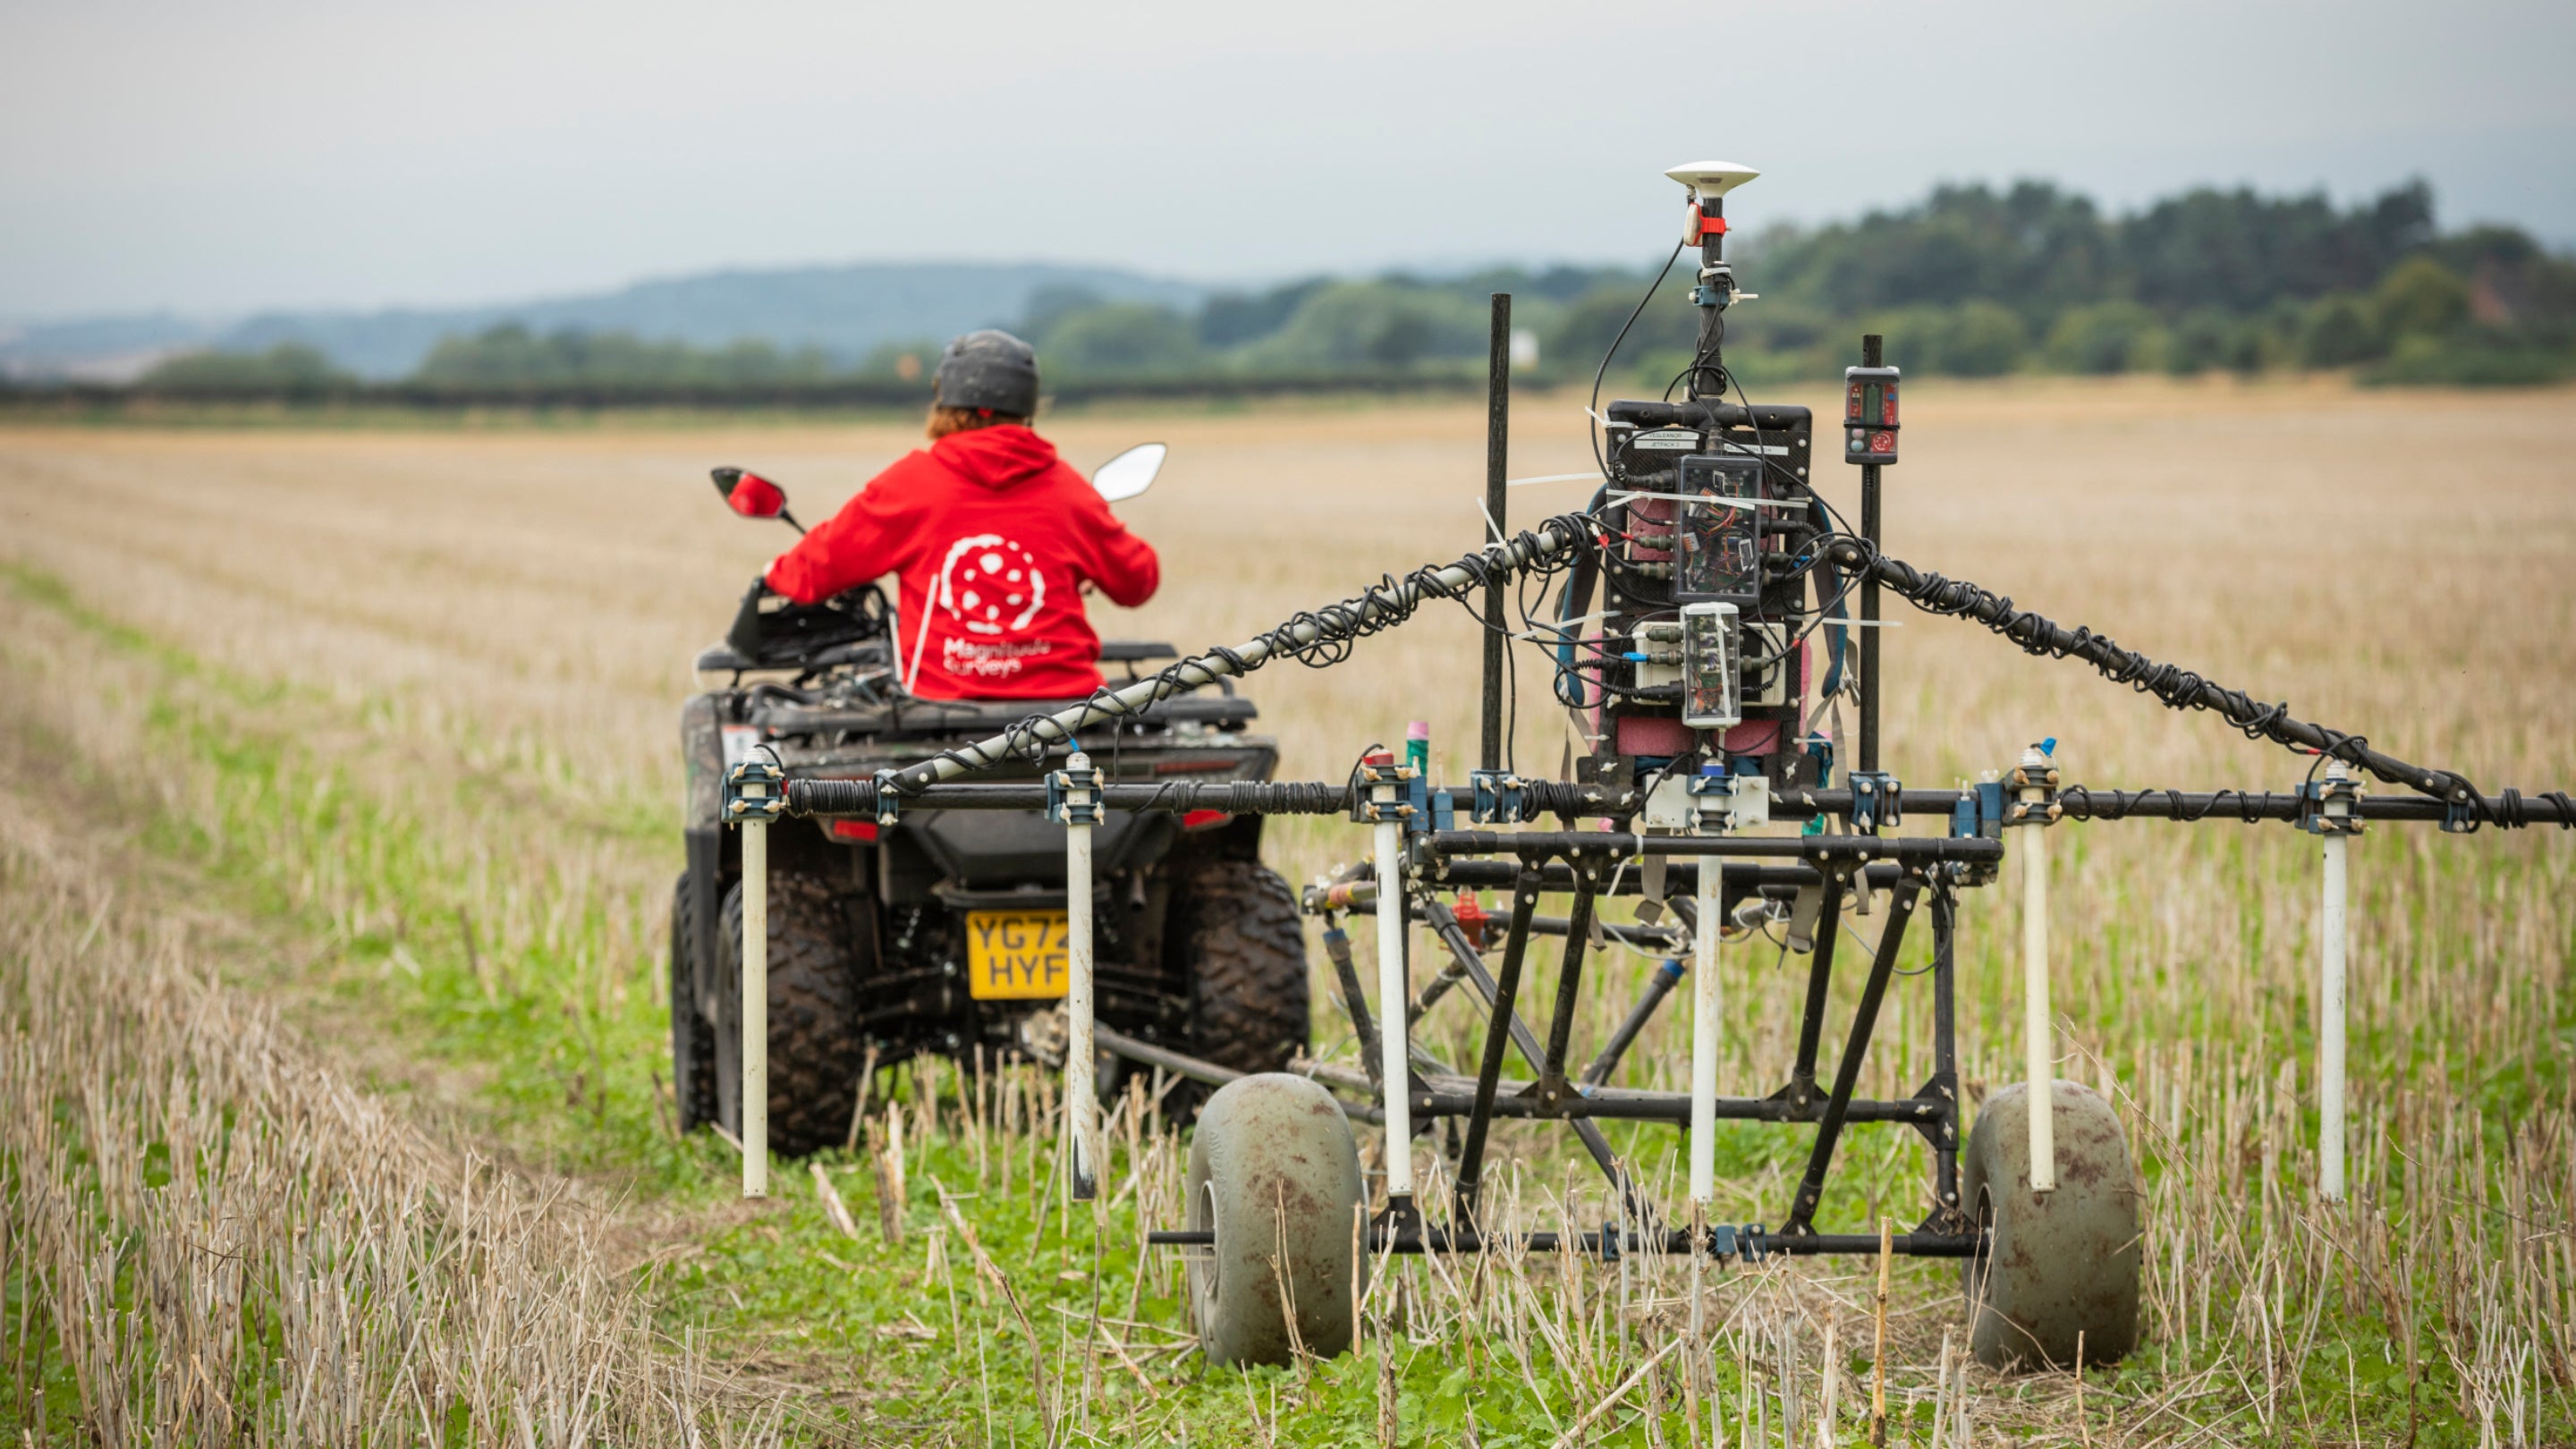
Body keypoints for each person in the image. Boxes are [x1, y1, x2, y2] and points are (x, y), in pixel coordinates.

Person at [753, 330, 1159, 699]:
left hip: (941, 717)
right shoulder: (1069, 491)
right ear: (1028, 407)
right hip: (1066, 713)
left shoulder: (910, 484)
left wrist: (776, 573)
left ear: (945, 402)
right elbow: (1139, 581)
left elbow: (818, 565)